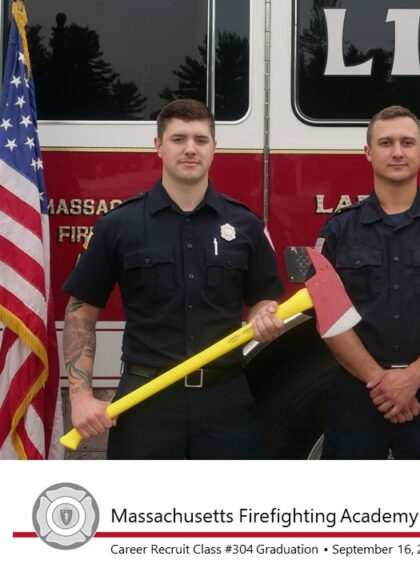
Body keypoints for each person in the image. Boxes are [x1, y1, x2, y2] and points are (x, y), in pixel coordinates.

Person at [62, 99, 285, 459]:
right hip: (145, 398)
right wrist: (80, 396)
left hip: (225, 400)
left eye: (200, 139)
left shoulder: (245, 225)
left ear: (214, 148)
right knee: (141, 512)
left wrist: (263, 314)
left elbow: (264, 297)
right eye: (178, 138)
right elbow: (81, 311)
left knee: (229, 513)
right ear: (158, 146)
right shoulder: (119, 225)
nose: (190, 149)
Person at [315, 105, 420, 459]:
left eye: (407, 142)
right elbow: (328, 316)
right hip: (357, 393)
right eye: (386, 142)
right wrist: (380, 381)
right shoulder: (339, 229)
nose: (397, 152)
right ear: (368, 152)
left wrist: (414, 377)